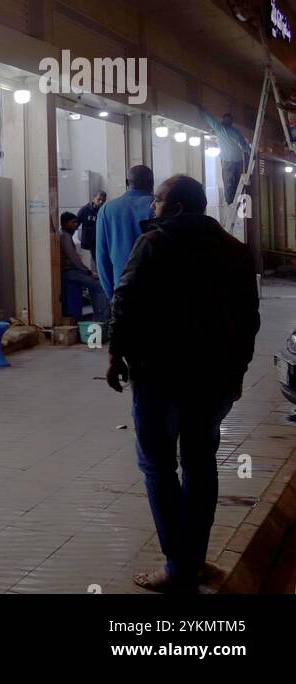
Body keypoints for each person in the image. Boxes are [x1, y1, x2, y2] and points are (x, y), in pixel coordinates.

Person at [105, 175, 259, 593]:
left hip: (160, 378)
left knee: (158, 466)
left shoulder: (154, 244)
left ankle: (179, 567)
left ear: (173, 207)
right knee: (200, 465)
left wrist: (114, 354)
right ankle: (193, 559)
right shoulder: (235, 251)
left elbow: (124, 300)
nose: (152, 207)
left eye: (158, 200)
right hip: (214, 381)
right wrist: (238, 372)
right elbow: (249, 320)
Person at [95, 165, 154, 299]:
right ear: (152, 182)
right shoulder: (156, 207)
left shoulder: (107, 209)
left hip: (121, 289)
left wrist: (111, 294)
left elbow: (102, 256)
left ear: (127, 183)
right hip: (153, 289)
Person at [58, 212, 108, 326]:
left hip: (71, 272)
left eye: (76, 222)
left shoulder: (64, 234)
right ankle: (103, 320)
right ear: (65, 223)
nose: (76, 225)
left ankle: (98, 317)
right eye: (73, 222)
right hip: (69, 273)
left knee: (94, 283)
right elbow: (74, 259)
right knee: (98, 285)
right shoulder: (64, 236)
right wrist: (88, 272)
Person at [204, 113, 250, 205]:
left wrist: (250, 152)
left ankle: (233, 202)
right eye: (227, 119)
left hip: (233, 161)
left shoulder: (226, 130)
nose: (227, 121)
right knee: (232, 182)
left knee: (233, 183)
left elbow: (244, 144)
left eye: (228, 119)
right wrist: (250, 152)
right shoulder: (225, 130)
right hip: (233, 161)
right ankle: (232, 202)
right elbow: (244, 145)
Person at [75, 191, 106, 259]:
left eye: (103, 200)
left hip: (101, 240)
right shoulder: (85, 210)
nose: (101, 202)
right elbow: (75, 223)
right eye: (99, 199)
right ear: (93, 199)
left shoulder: (105, 210)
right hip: (91, 241)